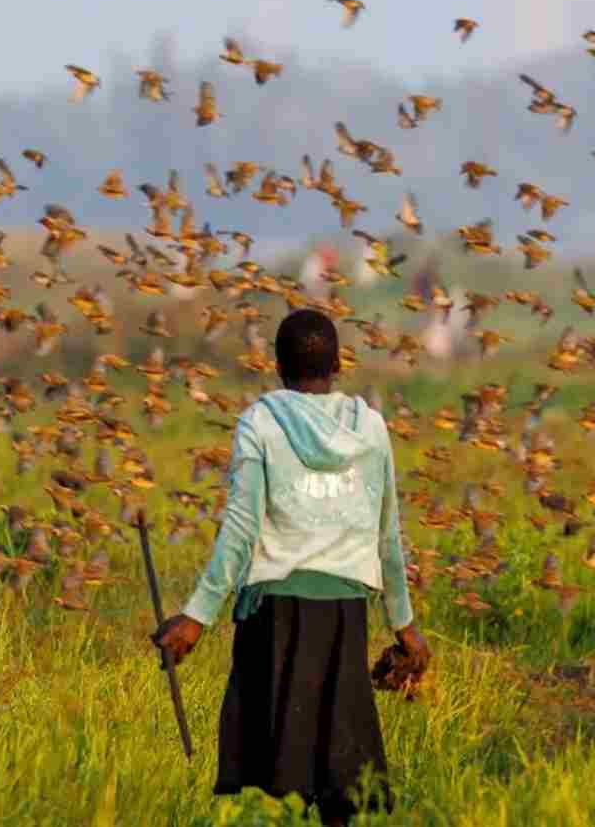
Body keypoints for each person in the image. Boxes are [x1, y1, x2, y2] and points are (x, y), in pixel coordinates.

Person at [152, 308, 431, 826]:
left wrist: (195, 618)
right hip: (345, 613)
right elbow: (386, 534)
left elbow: (240, 530)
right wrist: (404, 625)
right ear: (337, 365)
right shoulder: (371, 428)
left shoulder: (260, 422)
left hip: (275, 615)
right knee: (339, 773)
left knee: (282, 773)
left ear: (278, 367)